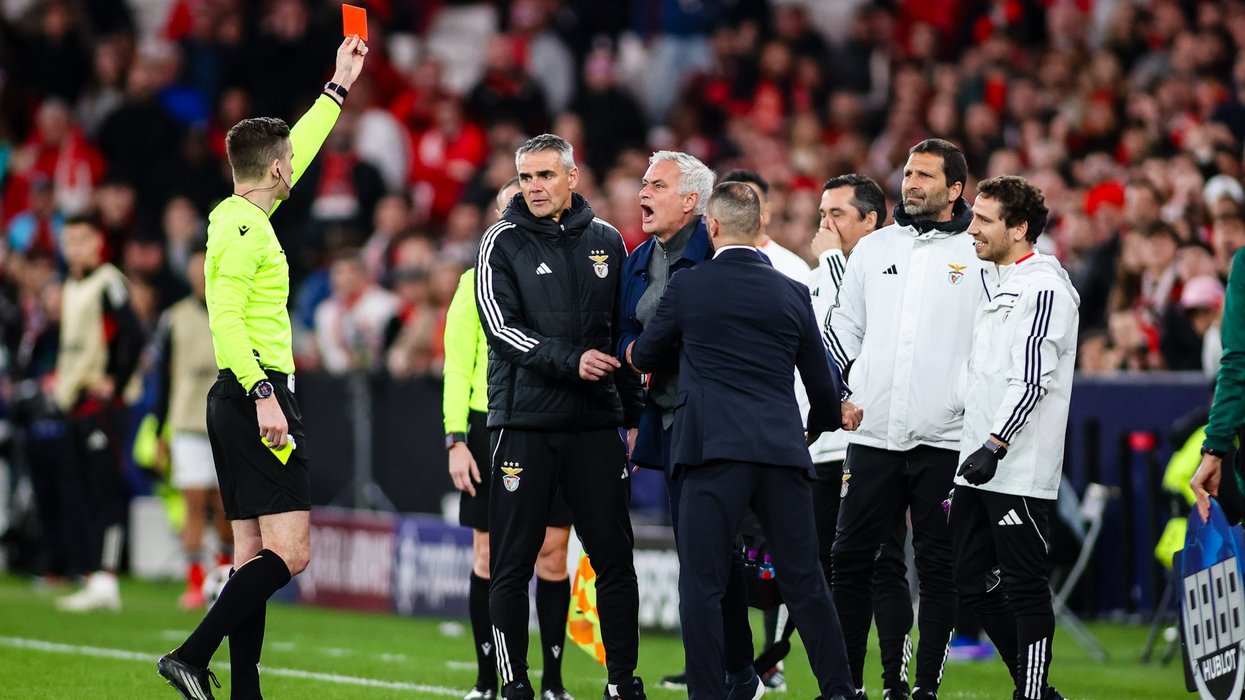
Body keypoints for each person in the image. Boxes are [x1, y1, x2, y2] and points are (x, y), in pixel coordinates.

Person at [156, 35, 368, 700]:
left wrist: (337, 86)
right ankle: (191, 656)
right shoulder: (245, 230)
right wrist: (265, 393)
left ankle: (244, 691)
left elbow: (296, 142)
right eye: (289, 164)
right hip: (256, 394)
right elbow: (226, 319)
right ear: (277, 172)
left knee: (251, 553)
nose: (294, 168)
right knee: (293, 551)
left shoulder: (239, 216)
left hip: (240, 395)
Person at [627, 182, 855, 700]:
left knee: (703, 586)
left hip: (710, 452)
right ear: (759, 229)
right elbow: (823, 388)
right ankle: (840, 691)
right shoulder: (792, 292)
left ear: (711, 227)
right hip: (781, 451)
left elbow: (646, 354)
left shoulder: (690, 286)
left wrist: (638, 351)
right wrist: (809, 432)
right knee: (805, 580)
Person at [475, 133, 645, 700]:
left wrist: (633, 415)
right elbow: (500, 331)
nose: (534, 188)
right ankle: (515, 682)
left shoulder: (607, 242)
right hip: (525, 425)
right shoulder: (500, 241)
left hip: (596, 426)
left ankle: (622, 680)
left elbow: (621, 336)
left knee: (615, 561)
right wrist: (574, 362)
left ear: (573, 178)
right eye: (526, 178)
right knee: (513, 563)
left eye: (546, 176)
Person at [825, 138, 986, 700]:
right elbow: (844, 328)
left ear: (955, 188)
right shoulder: (874, 248)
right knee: (851, 560)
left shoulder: (978, 249)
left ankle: (921, 691)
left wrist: (967, 403)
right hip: (871, 432)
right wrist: (840, 388)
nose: (910, 182)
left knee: (937, 568)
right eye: (908, 172)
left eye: (924, 175)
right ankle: (847, 686)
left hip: (944, 439)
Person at [618, 151, 759, 696]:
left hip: (723, 423)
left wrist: (651, 349)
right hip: (672, 422)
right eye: (644, 183)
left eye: (657, 185)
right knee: (703, 553)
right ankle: (737, 671)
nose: (643, 194)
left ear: (692, 201)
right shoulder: (636, 260)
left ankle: (738, 670)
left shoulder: (720, 254)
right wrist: (635, 355)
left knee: (715, 555)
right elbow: (623, 334)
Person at [445, 177, 576, 700]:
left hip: (555, 419)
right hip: (489, 425)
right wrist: (456, 438)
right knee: (489, 554)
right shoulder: (472, 283)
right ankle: (488, 679)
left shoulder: (565, 278)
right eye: (508, 210)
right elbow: (458, 367)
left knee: (553, 551)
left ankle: (554, 681)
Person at [949, 175, 1075, 700]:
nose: (970, 228)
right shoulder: (1003, 279)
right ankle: (1035, 688)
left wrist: (996, 443)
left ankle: (1032, 694)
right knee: (968, 579)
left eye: (983, 219)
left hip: (1015, 464)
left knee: (1024, 585)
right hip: (977, 459)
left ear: (1019, 228)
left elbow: (1033, 377)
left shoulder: (1045, 286)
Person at [806, 174, 915, 699]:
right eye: (821, 215)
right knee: (837, 567)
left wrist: (830, 263)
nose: (824, 227)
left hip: (872, 438)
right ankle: (846, 683)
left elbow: (847, 336)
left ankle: (894, 681)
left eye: (837, 215)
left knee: (884, 562)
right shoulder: (815, 274)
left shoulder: (891, 271)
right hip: (825, 445)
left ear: (872, 220)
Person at [52, 216, 144, 613]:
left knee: (104, 490)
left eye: (82, 240)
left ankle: (106, 577)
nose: (74, 248)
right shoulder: (72, 285)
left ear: (98, 243)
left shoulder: (107, 281)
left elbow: (134, 333)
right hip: (73, 401)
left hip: (99, 405)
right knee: (82, 492)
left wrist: (116, 383)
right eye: (69, 240)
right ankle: (93, 576)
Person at [153, 246, 234, 610]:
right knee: (193, 502)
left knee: (226, 505)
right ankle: (195, 580)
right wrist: (160, 430)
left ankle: (225, 574)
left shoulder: (232, 312)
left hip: (226, 421)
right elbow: (164, 377)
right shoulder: (175, 318)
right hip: (186, 420)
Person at [719, 169, 810, 281]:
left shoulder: (794, 269)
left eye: (751, 202)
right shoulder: (706, 264)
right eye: (734, 203)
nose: (742, 211)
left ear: (767, 212)